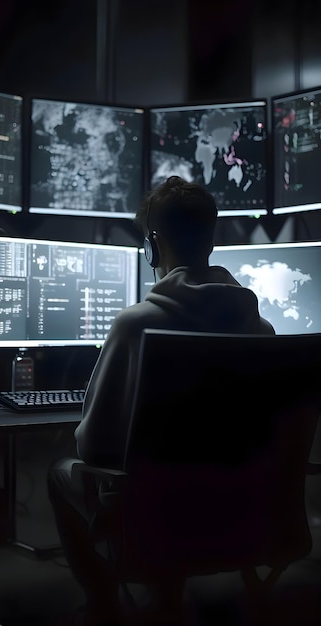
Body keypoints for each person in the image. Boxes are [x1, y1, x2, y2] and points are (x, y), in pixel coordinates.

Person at [47, 176, 275, 625]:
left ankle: (104, 607)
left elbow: (93, 447)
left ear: (152, 246)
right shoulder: (260, 329)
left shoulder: (136, 325)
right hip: (246, 511)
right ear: (211, 242)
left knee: (61, 475)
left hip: (157, 517)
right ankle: (169, 599)